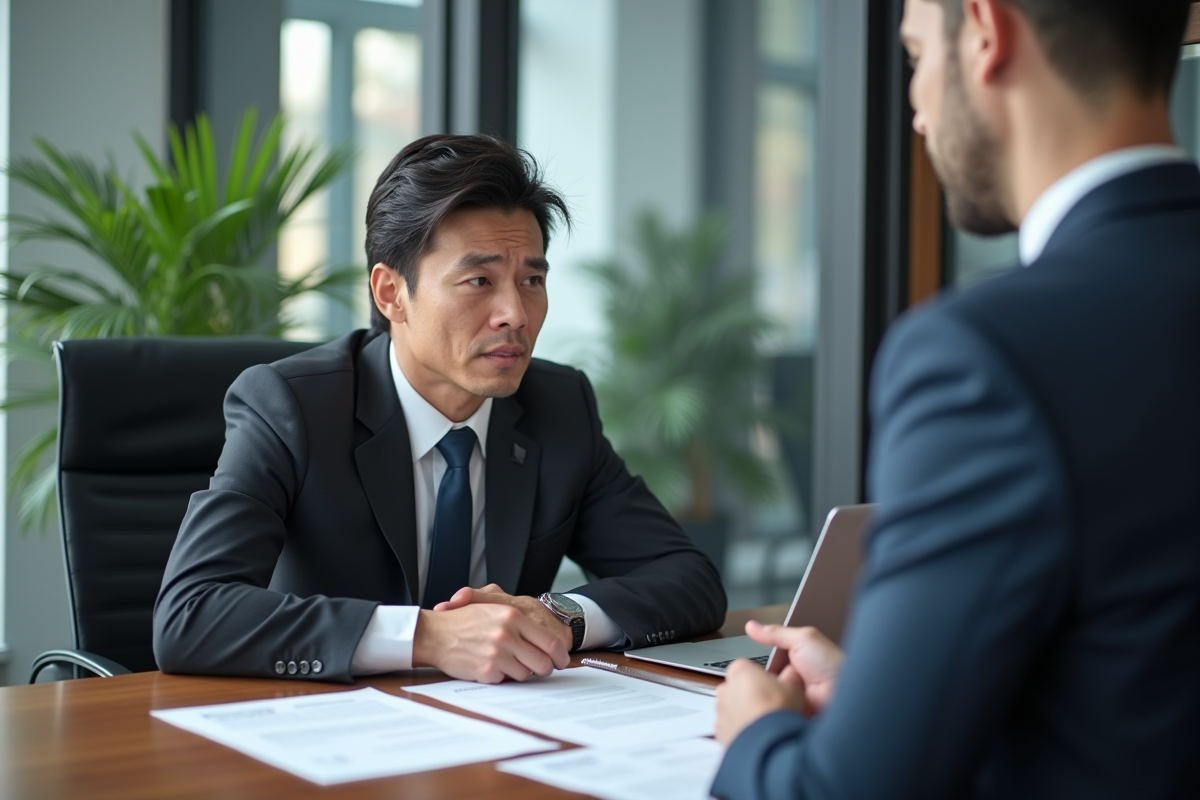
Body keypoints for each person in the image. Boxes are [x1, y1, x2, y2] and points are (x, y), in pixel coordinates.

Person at [711, 0, 1200, 798]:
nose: (915, 111)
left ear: (984, 31)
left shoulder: (987, 354)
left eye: (913, 57)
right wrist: (889, 694)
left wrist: (757, 735)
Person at [153, 134, 725, 685]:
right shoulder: (291, 407)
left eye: (531, 280)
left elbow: (689, 580)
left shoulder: (559, 406)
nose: (515, 314)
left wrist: (560, 615)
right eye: (479, 280)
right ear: (390, 293)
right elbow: (191, 614)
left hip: (498, 736)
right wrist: (427, 636)